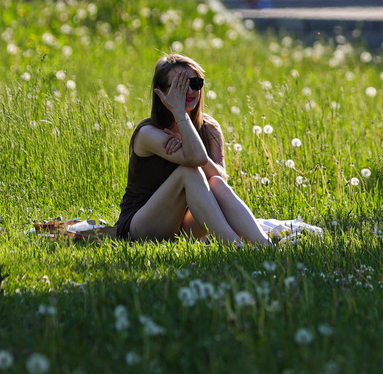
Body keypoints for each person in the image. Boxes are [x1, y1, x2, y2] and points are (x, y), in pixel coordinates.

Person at [115, 54, 275, 247]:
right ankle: (236, 246)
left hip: (184, 226)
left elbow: (220, 180)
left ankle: (265, 245)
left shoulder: (209, 128)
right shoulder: (148, 133)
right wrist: (180, 115)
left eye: (195, 83)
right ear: (161, 92)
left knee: (214, 181)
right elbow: (196, 159)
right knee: (188, 172)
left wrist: (187, 146)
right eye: (179, 86)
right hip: (141, 226)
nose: (190, 91)